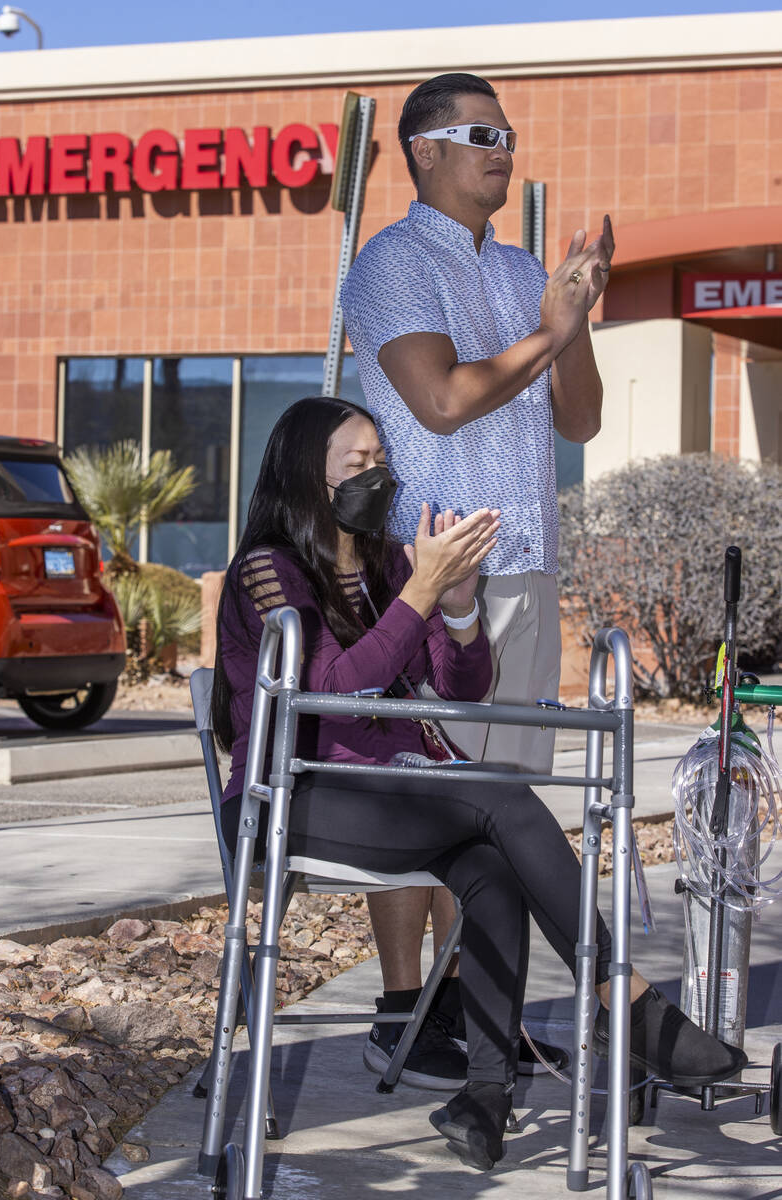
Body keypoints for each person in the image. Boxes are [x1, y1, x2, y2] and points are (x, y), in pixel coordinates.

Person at [212, 396, 746, 1172]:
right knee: (499, 795)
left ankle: (484, 1097)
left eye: (379, 461)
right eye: (355, 465)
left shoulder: (390, 562)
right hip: (290, 798)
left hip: (388, 792)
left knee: (493, 872)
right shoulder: (271, 568)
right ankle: (627, 1007)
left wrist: (457, 613)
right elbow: (326, 684)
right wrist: (422, 594)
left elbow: (458, 683)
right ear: (303, 474)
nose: (376, 477)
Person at [340, 71, 614, 1083]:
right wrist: (548, 329)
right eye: (479, 132)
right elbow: (445, 400)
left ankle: (479, 1005)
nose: (502, 147)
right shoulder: (390, 262)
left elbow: (579, 421)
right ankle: (403, 1005)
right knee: (430, 790)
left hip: (527, 568)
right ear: (422, 149)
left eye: (507, 133)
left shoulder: (521, 270)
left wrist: (571, 315)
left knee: (503, 804)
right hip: (433, 573)